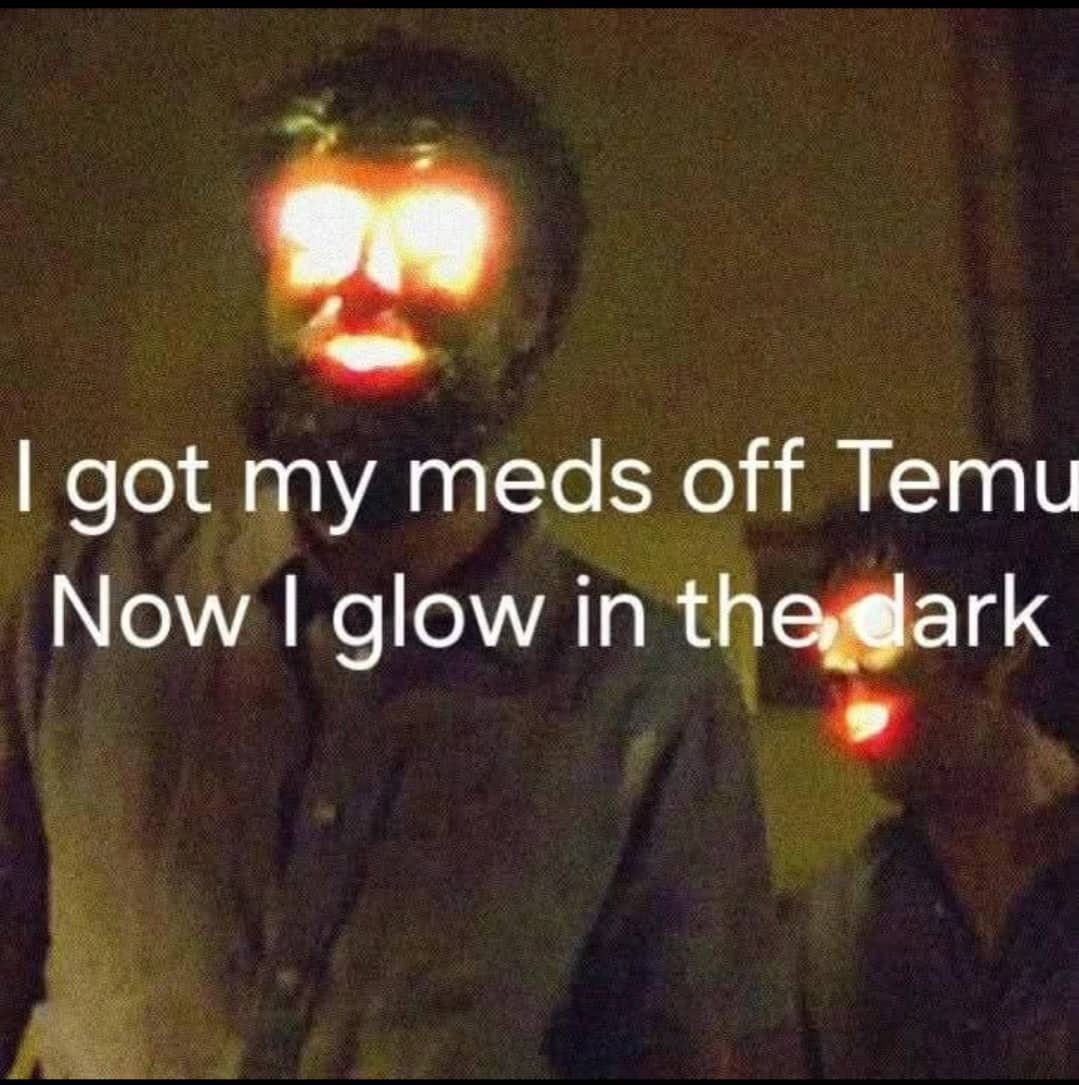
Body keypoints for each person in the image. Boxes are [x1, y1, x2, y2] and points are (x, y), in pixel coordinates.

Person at [0, 34, 787, 1077]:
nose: (366, 282)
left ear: (531, 306)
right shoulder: (91, 596)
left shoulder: (644, 698)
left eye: (434, 240)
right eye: (317, 233)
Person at [796, 484, 1079, 1078]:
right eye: (831, 657)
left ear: (1002, 649)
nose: (841, 671)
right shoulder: (836, 921)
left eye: (874, 639)